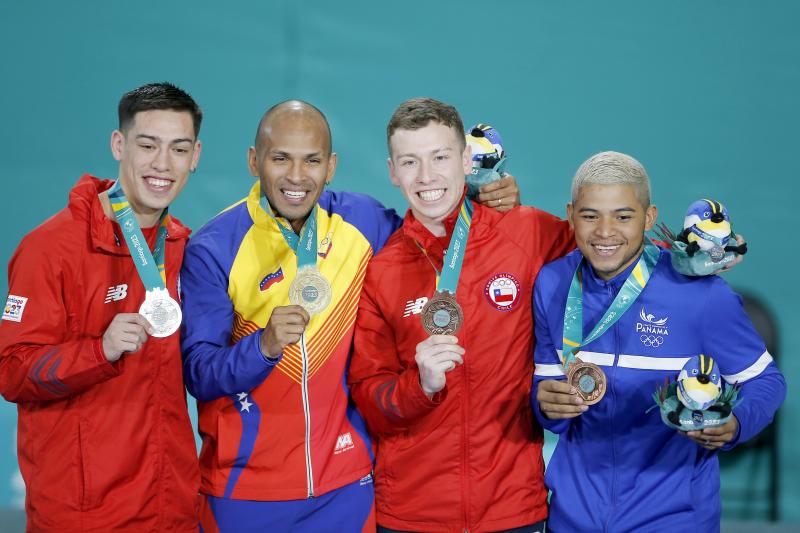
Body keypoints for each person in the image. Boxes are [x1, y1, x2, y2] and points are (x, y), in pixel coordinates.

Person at [179, 99, 519, 532]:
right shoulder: (214, 247)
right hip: (244, 491)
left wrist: (485, 197)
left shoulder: (364, 222)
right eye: (281, 158)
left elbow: (438, 226)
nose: (297, 177)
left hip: (346, 487)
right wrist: (261, 347)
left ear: (332, 165)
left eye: (313, 160)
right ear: (254, 160)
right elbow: (198, 374)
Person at [347, 97, 575, 533]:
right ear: (392, 172)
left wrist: (691, 263)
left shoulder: (525, 233)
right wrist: (420, 385)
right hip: (412, 514)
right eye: (410, 162)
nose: (427, 176)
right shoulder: (381, 270)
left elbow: (613, 254)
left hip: (511, 508)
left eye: (440, 157)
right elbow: (368, 394)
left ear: (467, 160)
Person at [532, 151, 786, 532]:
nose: (604, 231)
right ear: (570, 215)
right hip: (572, 516)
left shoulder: (702, 295)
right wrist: (546, 405)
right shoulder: (552, 284)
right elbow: (546, 388)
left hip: (673, 518)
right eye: (589, 215)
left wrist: (735, 425)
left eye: (623, 216)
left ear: (649, 218)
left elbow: (766, 382)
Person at [0, 82, 203, 531]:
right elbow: (12, 372)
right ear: (118, 144)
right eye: (147, 145)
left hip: (172, 509)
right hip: (85, 517)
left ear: (195, 156)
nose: (162, 165)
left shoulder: (184, 248)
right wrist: (99, 351)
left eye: (178, 149)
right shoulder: (49, 250)